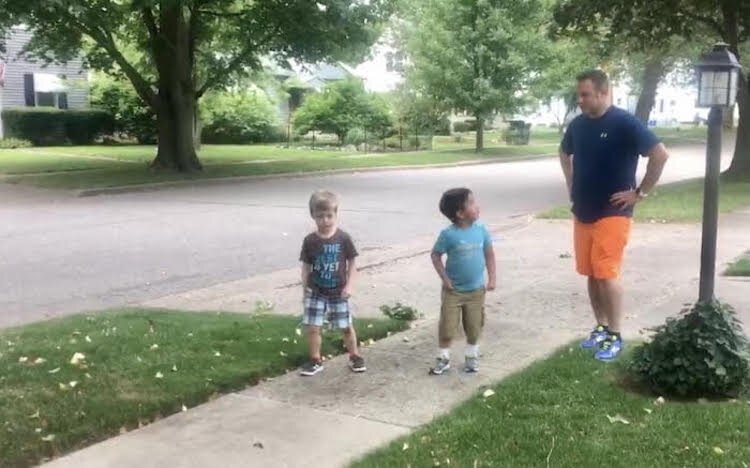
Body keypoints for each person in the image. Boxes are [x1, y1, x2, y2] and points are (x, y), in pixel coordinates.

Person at [559, 69, 670, 361]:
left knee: (606, 273)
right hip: (583, 209)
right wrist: (571, 184)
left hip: (613, 211)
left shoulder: (624, 122)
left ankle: (616, 335)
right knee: (591, 273)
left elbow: (660, 154)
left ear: (602, 92)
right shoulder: (578, 126)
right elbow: (564, 152)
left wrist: (640, 192)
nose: (580, 100)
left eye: (585, 94)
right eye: (579, 94)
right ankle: (601, 327)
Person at [429, 188, 496, 374]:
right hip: (453, 291)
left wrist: (492, 278)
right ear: (460, 213)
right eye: (472, 203)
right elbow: (435, 255)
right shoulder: (448, 235)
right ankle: (443, 357)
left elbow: (489, 254)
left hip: (476, 291)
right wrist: (444, 278)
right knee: (447, 327)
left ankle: (471, 357)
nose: (477, 206)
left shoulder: (481, 230)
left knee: (474, 326)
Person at [298, 190, 365, 376]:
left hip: (338, 292)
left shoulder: (343, 238)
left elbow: (352, 263)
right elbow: (306, 266)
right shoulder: (310, 241)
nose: (325, 220)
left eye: (329, 216)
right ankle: (315, 359)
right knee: (313, 327)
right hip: (316, 292)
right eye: (320, 216)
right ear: (313, 216)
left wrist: (350, 286)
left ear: (336, 214)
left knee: (345, 326)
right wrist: (304, 289)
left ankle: (354, 356)